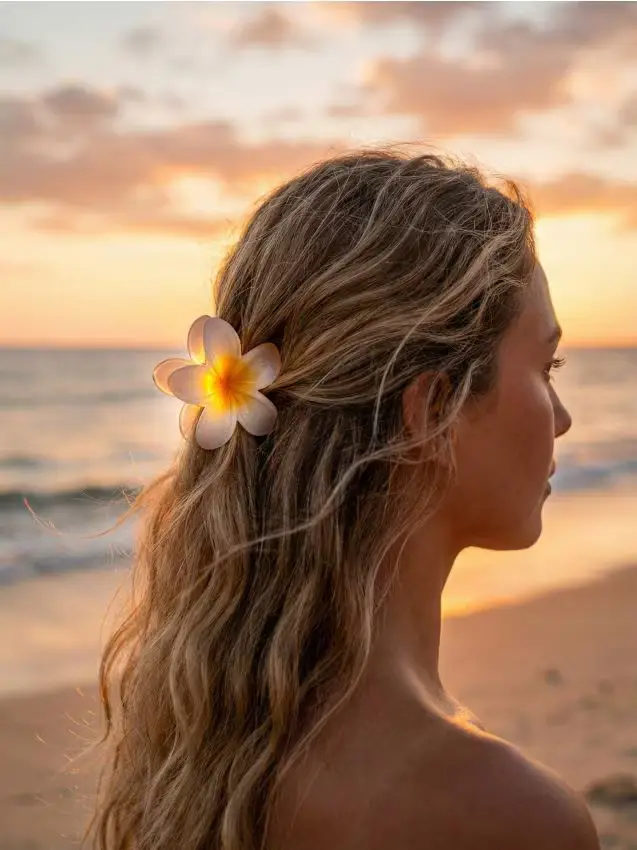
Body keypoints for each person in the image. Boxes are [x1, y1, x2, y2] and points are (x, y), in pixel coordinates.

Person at [88, 150, 600, 850]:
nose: (562, 417)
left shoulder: (211, 742)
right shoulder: (505, 817)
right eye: (545, 367)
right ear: (433, 409)